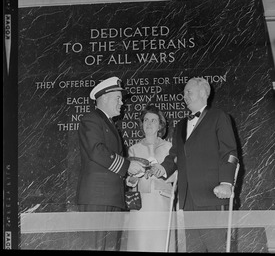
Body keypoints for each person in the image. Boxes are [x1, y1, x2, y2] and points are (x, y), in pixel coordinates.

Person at [150, 77, 239, 253]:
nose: (185, 96)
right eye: (183, 93)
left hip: (212, 194)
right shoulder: (181, 124)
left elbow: (230, 153)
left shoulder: (219, 117)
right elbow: (175, 154)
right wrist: (163, 169)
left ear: (203, 93)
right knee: (193, 248)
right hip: (188, 197)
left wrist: (227, 183)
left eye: (188, 92)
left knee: (217, 247)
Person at [76, 76, 146, 251]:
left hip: (111, 196)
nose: (122, 103)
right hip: (97, 197)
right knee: (96, 246)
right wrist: (127, 166)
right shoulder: (91, 119)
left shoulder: (109, 123)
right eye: (118, 98)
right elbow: (96, 151)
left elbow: (110, 161)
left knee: (109, 247)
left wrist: (128, 176)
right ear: (104, 98)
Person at [125, 104, 177, 252]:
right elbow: (129, 180)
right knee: (141, 243)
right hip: (141, 203)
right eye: (146, 120)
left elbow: (176, 175)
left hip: (162, 201)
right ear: (141, 124)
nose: (149, 123)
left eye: (153, 120)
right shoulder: (134, 149)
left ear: (160, 124)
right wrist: (134, 177)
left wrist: (162, 172)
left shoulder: (169, 147)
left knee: (161, 243)